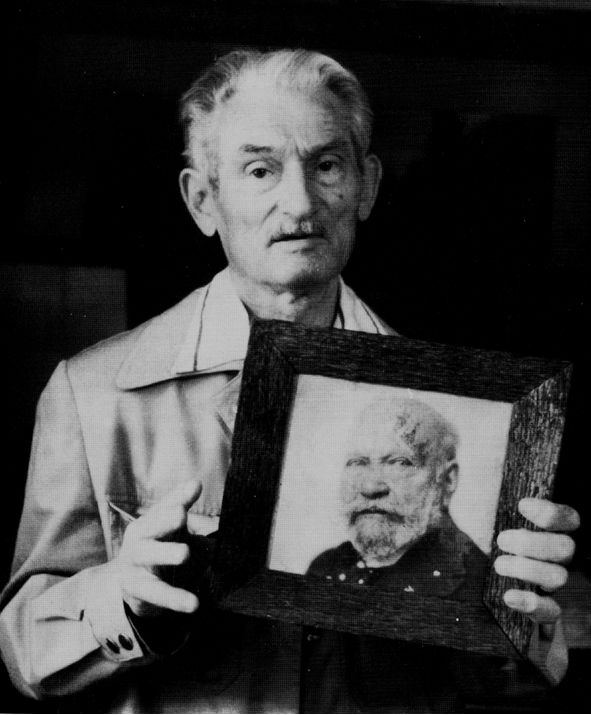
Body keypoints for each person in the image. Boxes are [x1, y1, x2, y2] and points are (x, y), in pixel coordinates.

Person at [0, 48, 579, 712]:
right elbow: (21, 654)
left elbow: (494, 684)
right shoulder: (93, 394)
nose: (300, 202)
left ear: (366, 186)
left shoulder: (456, 412)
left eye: (326, 165)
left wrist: (526, 621)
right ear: (202, 199)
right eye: (260, 170)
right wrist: (120, 599)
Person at [307, 397, 488, 600]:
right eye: (358, 462)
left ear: (447, 479)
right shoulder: (325, 567)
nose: (370, 487)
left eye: (400, 462)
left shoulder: (479, 585)